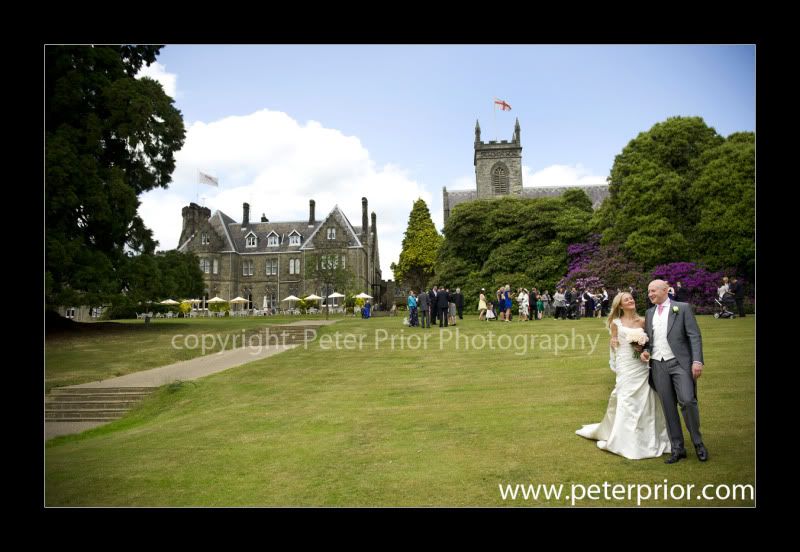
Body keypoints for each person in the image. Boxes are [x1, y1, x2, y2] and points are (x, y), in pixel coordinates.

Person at [576, 291, 671, 459]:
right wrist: (613, 343)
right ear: (620, 305)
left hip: (641, 365)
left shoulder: (643, 321)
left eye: (631, 298)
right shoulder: (616, 323)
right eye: (626, 299)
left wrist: (643, 349)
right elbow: (614, 342)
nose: (630, 300)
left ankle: (647, 436)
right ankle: (625, 440)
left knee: (645, 399)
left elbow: (651, 342)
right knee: (626, 398)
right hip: (626, 365)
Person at [641, 279, 708, 464]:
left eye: (653, 290)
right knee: (668, 407)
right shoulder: (649, 313)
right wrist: (646, 351)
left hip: (680, 363)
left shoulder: (682, 308)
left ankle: (698, 443)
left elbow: (694, 335)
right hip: (658, 365)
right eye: (649, 292)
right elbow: (649, 341)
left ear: (665, 290)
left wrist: (697, 361)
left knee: (687, 400)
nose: (650, 294)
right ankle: (678, 448)